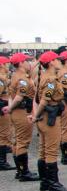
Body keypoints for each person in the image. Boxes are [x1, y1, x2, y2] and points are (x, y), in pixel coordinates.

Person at [33, 51, 67, 191]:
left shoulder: (43, 77)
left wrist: (37, 116)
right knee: (51, 151)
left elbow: (38, 99)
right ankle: (53, 184)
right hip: (49, 117)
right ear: (50, 63)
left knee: (43, 150)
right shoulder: (50, 80)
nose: (59, 61)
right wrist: (36, 116)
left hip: (44, 117)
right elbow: (44, 100)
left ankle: (45, 182)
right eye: (56, 59)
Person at [5, 53, 39, 181]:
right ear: (20, 63)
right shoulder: (22, 79)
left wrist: (10, 108)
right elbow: (19, 97)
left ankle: (20, 171)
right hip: (22, 112)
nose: (28, 63)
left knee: (17, 141)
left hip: (17, 111)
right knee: (23, 142)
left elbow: (11, 96)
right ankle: (24, 172)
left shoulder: (15, 76)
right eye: (26, 61)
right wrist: (10, 108)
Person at [0, 56, 15, 171]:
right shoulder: (1, 79)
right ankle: (1, 162)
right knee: (3, 135)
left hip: (4, 106)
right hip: (2, 109)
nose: (8, 65)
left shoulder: (4, 77)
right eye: (6, 63)